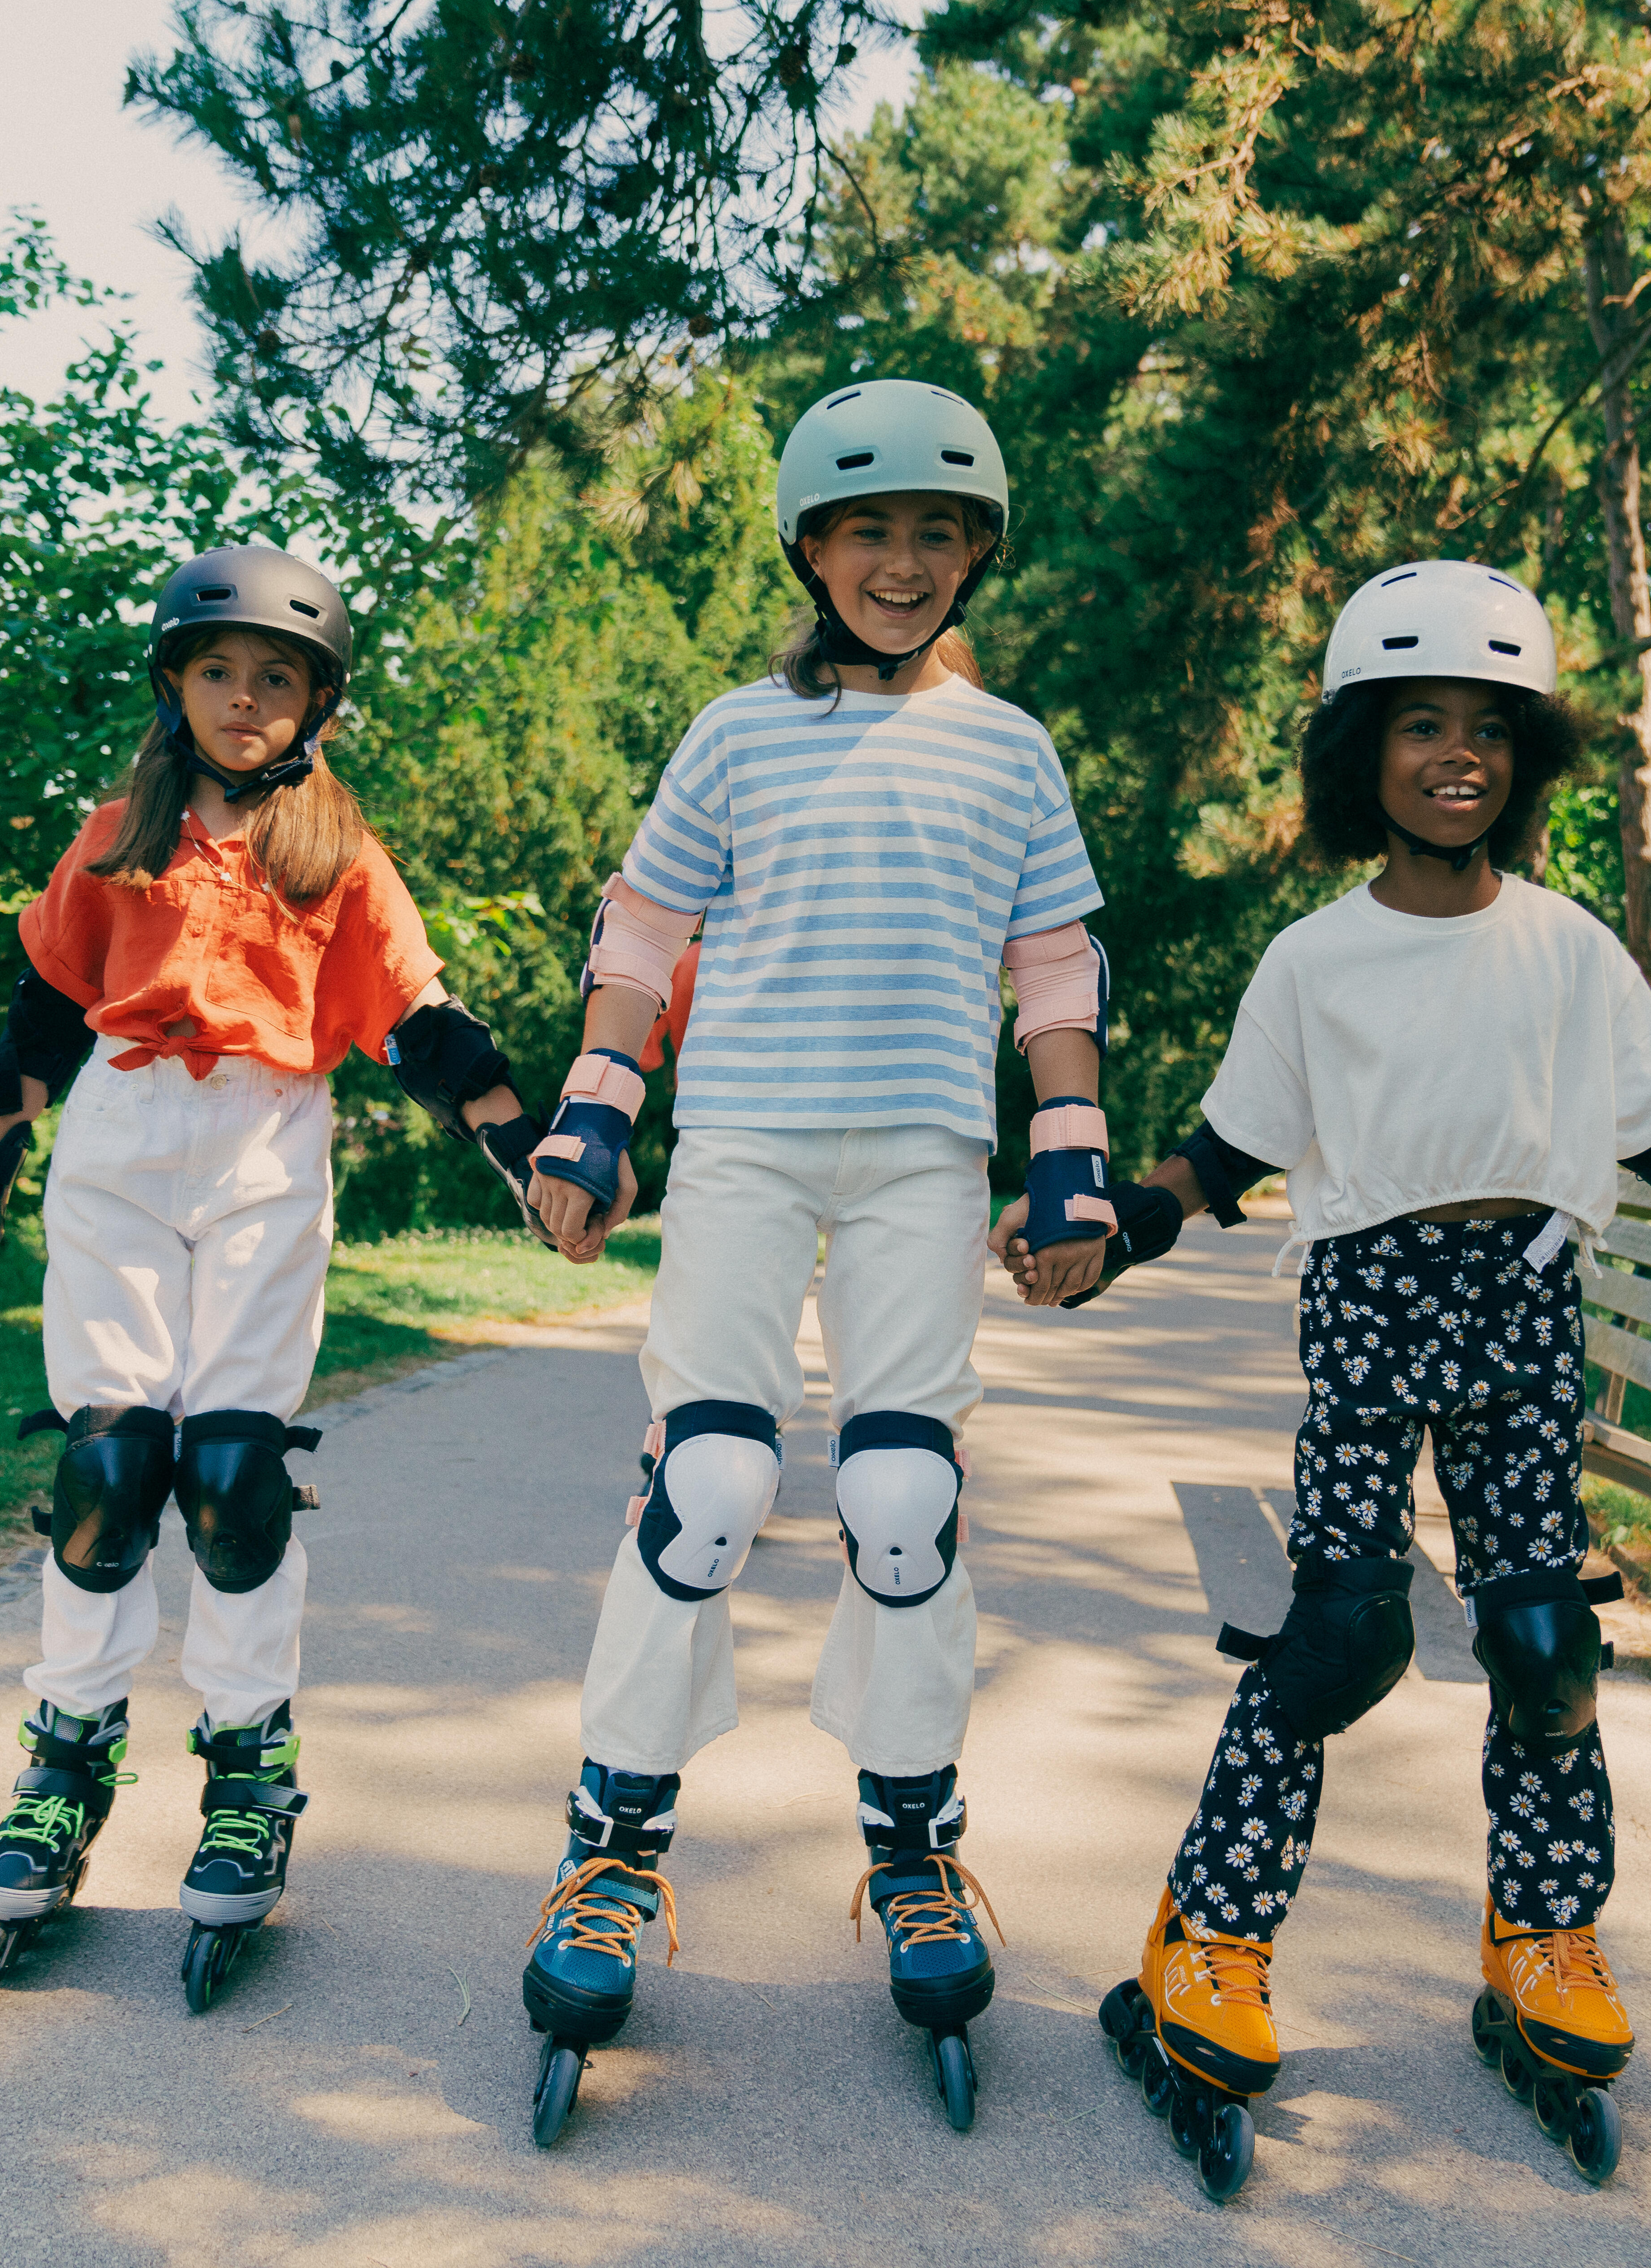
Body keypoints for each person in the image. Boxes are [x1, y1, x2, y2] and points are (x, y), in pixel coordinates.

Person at [1007, 559, 1651, 2195]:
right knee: (1340, 1639)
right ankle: (1205, 1943)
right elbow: (1223, 1156)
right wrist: (1114, 1234)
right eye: (1420, 726)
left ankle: (1546, 1940)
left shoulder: (1568, 950)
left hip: (1525, 1305)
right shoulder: (1313, 962)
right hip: (1367, 1301)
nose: (1456, 756)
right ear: (1365, 756)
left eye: (1488, 728)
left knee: (1543, 1642)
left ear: (1527, 757)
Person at [508, 379, 1131, 2142]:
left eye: (939, 531)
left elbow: (1054, 964)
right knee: (702, 1482)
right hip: (750, 1149)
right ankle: (610, 1848)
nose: (905, 560)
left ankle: (913, 1846)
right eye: (870, 530)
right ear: (808, 546)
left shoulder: (1008, 749)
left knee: (902, 1503)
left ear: (977, 554)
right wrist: (596, 1104)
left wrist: (1070, 1146)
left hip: (926, 1154)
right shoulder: (731, 734)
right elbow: (643, 932)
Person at [0, 545, 591, 2012]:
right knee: (110, 1463)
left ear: (315, 704)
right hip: (122, 1132)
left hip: (269, 1146)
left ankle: (247, 1769)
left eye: (274, 678)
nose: (243, 698)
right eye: (219, 671)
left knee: (232, 1474)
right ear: (175, 686)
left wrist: (530, 1157)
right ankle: (65, 1765)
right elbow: (35, 1028)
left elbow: (426, 1030)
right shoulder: (113, 840)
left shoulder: (336, 860)